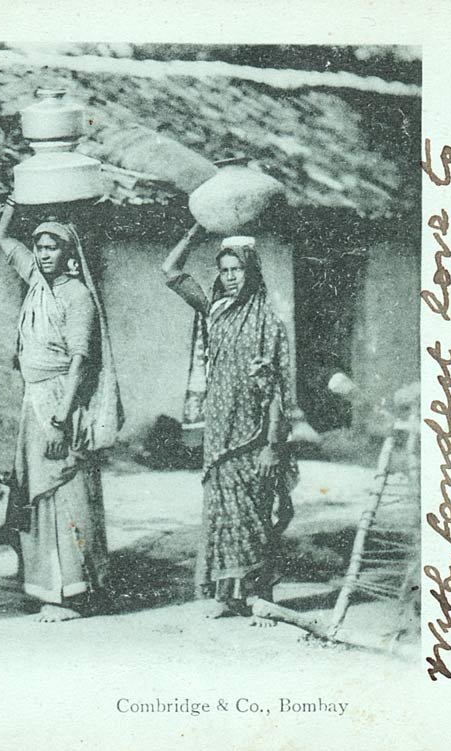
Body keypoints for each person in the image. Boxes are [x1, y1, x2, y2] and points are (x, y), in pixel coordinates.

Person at [0, 200, 124, 623]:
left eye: (53, 248)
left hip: (59, 403)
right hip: (35, 399)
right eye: (40, 247)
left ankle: (71, 593)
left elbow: (79, 361)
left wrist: (60, 418)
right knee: (35, 494)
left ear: (69, 253)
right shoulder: (36, 283)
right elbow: (2, 239)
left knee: (64, 493)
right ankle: (44, 584)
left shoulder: (77, 295)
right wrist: (14, 205)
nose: (45, 254)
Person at [161, 233, 298, 618]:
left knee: (256, 514)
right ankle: (227, 596)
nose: (231, 277)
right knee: (222, 514)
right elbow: (170, 272)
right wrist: (192, 232)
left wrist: (273, 444)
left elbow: (278, 391)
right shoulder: (214, 311)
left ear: (252, 272)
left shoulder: (269, 323)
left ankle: (262, 596)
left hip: (254, 437)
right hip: (219, 435)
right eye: (224, 271)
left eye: (238, 269)